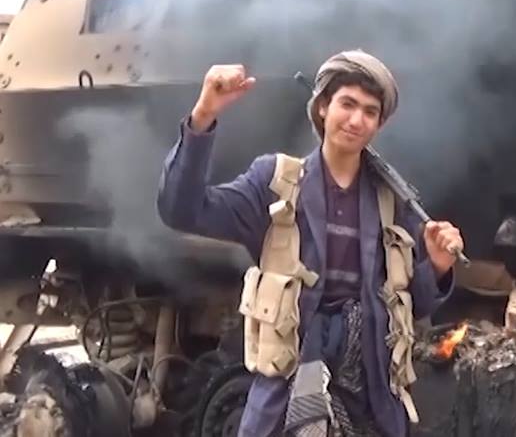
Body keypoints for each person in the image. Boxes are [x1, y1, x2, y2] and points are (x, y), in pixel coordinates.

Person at [156, 50, 460, 436]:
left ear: (379, 124)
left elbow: (409, 305)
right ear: (322, 107)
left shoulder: (391, 201)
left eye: (370, 111)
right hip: (284, 401)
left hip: (371, 403)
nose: (357, 120)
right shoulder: (276, 183)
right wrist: (204, 115)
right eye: (347, 104)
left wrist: (437, 266)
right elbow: (182, 210)